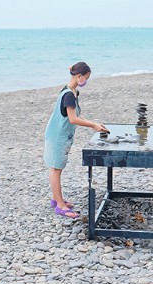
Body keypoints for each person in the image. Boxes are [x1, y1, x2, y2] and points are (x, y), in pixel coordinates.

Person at [44, 61, 109, 219]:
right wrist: (92, 125)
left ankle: (56, 199)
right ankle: (59, 205)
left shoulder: (72, 92)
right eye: (85, 78)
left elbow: (77, 115)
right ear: (79, 76)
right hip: (57, 136)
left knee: (57, 168)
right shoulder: (68, 95)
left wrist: (94, 124)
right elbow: (73, 119)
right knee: (55, 169)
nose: (85, 81)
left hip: (61, 134)